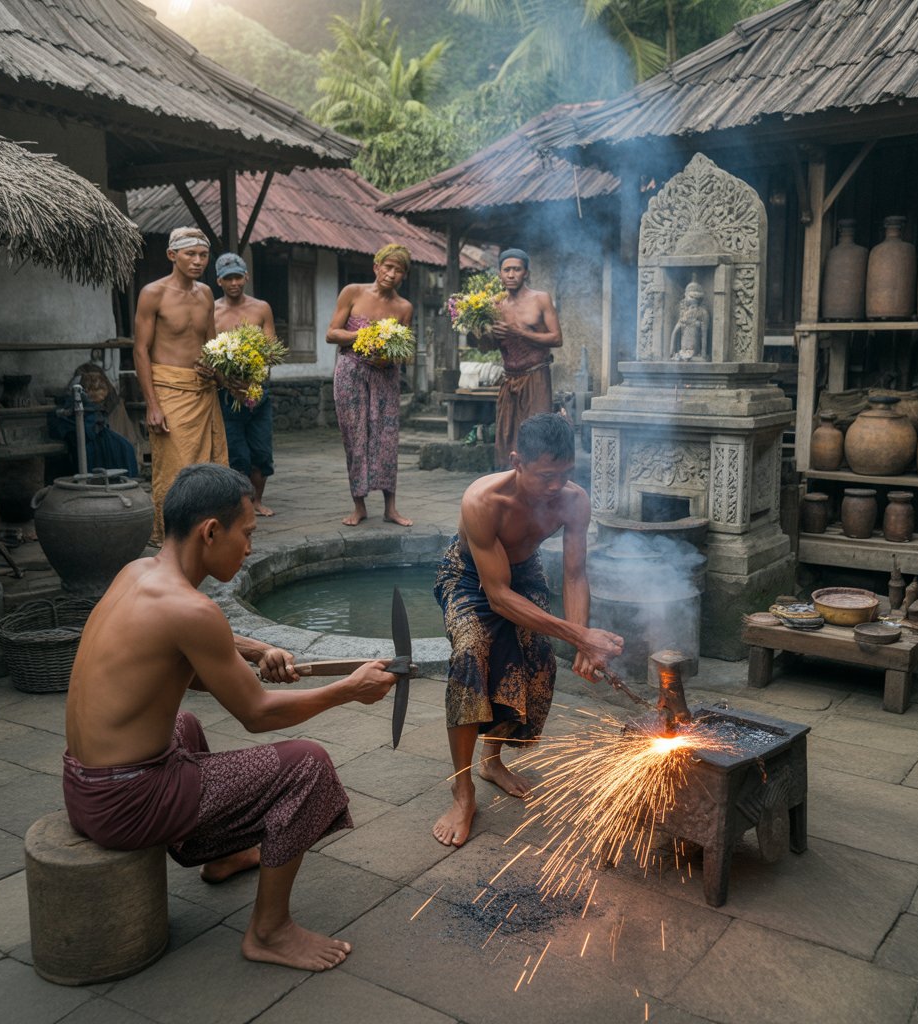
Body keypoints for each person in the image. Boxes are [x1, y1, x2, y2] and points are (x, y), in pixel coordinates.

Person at [62, 463, 396, 970]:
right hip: (126, 803)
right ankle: (269, 931)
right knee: (308, 766)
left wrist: (256, 648)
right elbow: (257, 714)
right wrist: (348, 690)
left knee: (185, 726)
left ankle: (221, 855)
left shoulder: (137, 573)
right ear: (211, 532)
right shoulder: (193, 611)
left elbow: (188, 658)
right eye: (247, 533)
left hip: (84, 787)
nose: (249, 548)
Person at [431, 413, 624, 848]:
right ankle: (463, 789)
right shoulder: (483, 501)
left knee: (536, 659)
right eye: (545, 476)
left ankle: (492, 759)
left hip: (524, 573)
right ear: (517, 461)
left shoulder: (574, 501)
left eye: (565, 474)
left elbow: (575, 574)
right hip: (469, 576)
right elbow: (497, 597)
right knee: (471, 655)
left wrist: (582, 639)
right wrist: (580, 636)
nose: (556, 486)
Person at [133, 226, 227, 545]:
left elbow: (212, 344)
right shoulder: (153, 293)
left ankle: (203, 531)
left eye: (203, 255)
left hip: (203, 390)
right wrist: (152, 405)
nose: (198, 261)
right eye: (190, 254)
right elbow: (140, 350)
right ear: (172, 255)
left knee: (209, 467)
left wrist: (224, 375)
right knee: (174, 467)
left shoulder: (206, 294)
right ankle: (169, 535)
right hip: (169, 389)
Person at [325, 243, 413, 527]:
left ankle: (391, 508)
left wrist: (386, 357)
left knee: (386, 439)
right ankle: (359, 506)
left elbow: (405, 351)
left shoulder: (404, 307)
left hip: (385, 376)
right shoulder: (353, 292)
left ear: (403, 276)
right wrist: (365, 335)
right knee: (355, 437)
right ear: (376, 267)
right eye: (388, 267)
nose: (392, 274)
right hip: (350, 373)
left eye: (399, 270)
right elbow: (332, 333)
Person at [483, 249, 563, 470]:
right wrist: (483, 334)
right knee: (506, 437)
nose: (511, 274)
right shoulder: (494, 304)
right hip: (509, 379)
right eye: (506, 270)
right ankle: (510, 484)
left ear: (526, 272)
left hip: (536, 375)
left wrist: (519, 332)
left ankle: (539, 485)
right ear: (500, 273)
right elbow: (488, 346)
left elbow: (557, 338)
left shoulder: (540, 299)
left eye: (516, 269)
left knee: (538, 434)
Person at [214, 252, 277, 517]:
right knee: (236, 453)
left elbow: (271, 351)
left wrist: (253, 379)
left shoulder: (261, 308)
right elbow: (209, 354)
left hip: (257, 390)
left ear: (246, 277)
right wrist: (229, 384)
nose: (234, 283)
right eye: (228, 278)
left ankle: (257, 501)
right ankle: (240, 504)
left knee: (261, 451)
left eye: (238, 277)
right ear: (219, 281)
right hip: (226, 393)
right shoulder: (213, 312)